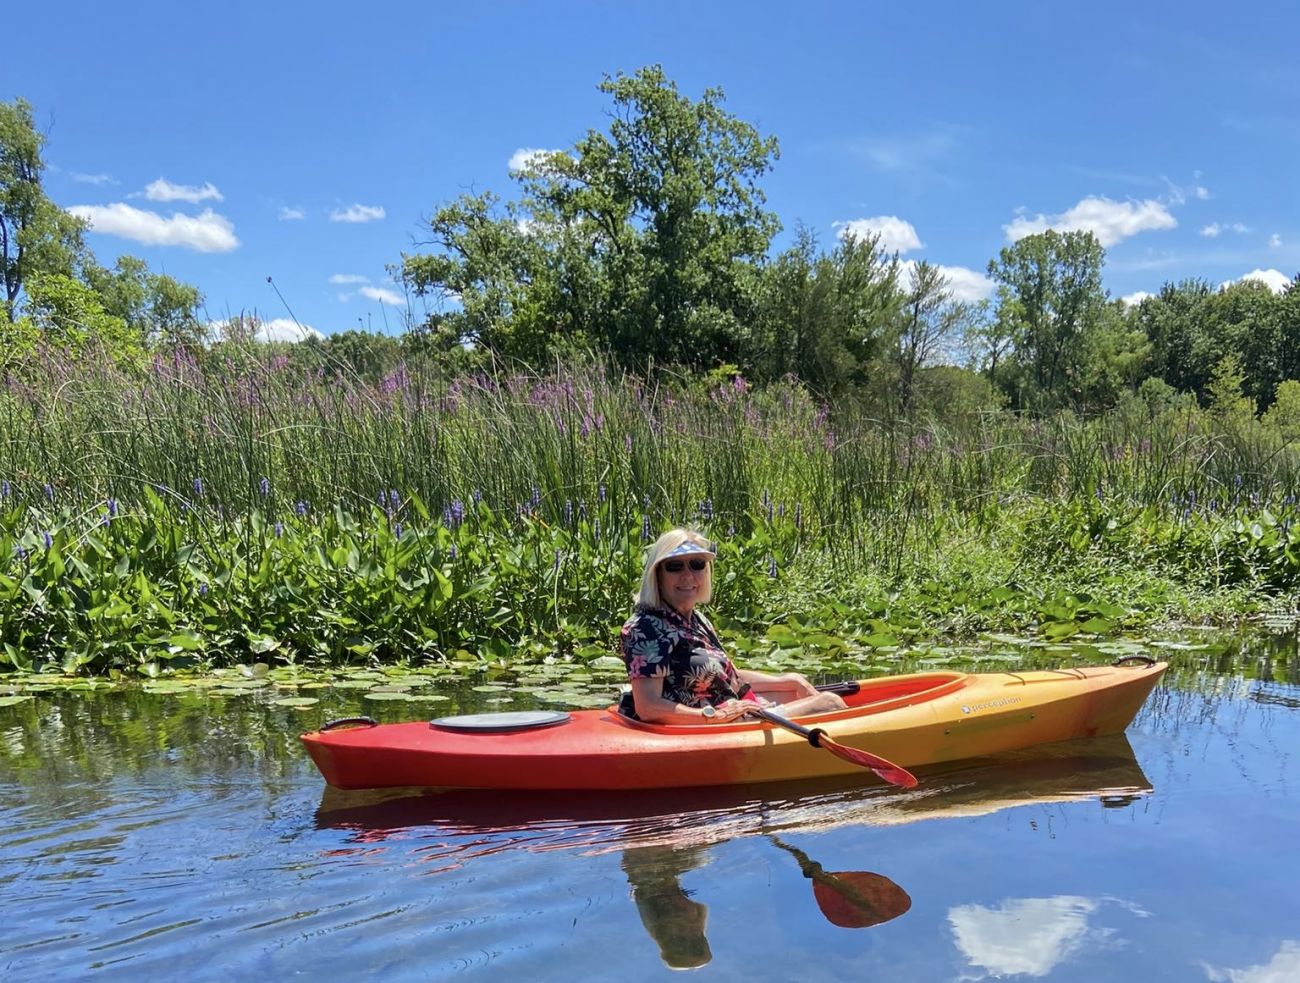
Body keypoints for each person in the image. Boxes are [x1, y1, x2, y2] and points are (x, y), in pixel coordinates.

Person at [619, 528, 846, 724]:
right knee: (830, 702)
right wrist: (712, 716)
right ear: (657, 574)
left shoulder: (696, 620)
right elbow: (648, 707)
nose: (688, 575)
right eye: (675, 566)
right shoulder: (646, 628)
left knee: (797, 690)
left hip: (731, 712)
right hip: (710, 724)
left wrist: (788, 681)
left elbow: (730, 677)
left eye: (697, 564)